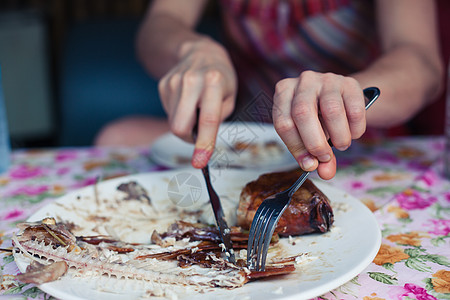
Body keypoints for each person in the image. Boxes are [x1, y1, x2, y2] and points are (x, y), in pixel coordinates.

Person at [95, 0, 444, 180]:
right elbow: (161, 23)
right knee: (115, 136)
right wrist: (190, 49)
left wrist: (346, 97)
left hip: (347, 138)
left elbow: (420, 61)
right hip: (252, 134)